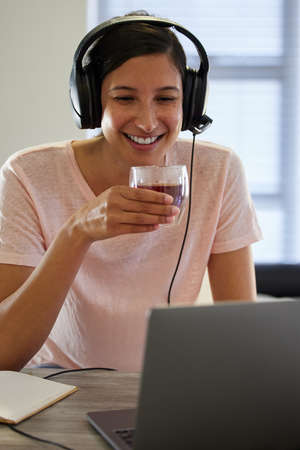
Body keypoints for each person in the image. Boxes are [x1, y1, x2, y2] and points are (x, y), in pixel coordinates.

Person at [0, 11, 262, 372]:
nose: (147, 121)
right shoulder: (29, 174)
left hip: (168, 390)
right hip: (57, 389)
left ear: (189, 104)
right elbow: (4, 356)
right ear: (91, 102)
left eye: (166, 99)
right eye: (125, 98)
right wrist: (78, 232)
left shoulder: (217, 169)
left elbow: (243, 333)